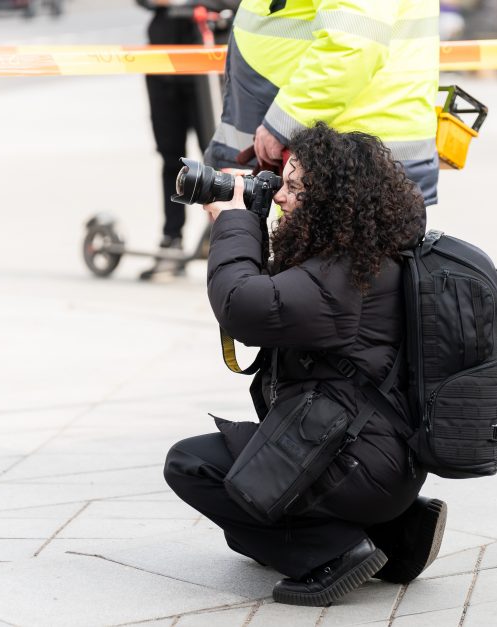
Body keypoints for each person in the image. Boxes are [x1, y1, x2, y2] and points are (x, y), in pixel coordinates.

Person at [163, 123, 446, 606]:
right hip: (383, 459)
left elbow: (243, 305)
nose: (280, 197)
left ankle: (332, 554)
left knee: (190, 464)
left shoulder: (342, 277)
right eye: (283, 182)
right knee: (245, 535)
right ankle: (398, 536)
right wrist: (249, 213)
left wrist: (232, 220)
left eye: (294, 188)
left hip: (359, 463)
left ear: (334, 200)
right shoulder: (368, 252)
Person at [203, 0, 441, 207]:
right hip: (334, 153)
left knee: (337, 258)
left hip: (350, 159)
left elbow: (355, 41)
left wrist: (284, 120)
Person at [135, 0, 238, 281]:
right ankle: (172, 240)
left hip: (207, 56)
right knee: (172, 158)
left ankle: (223, 238)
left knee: (215, 158)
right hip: (164, 59)